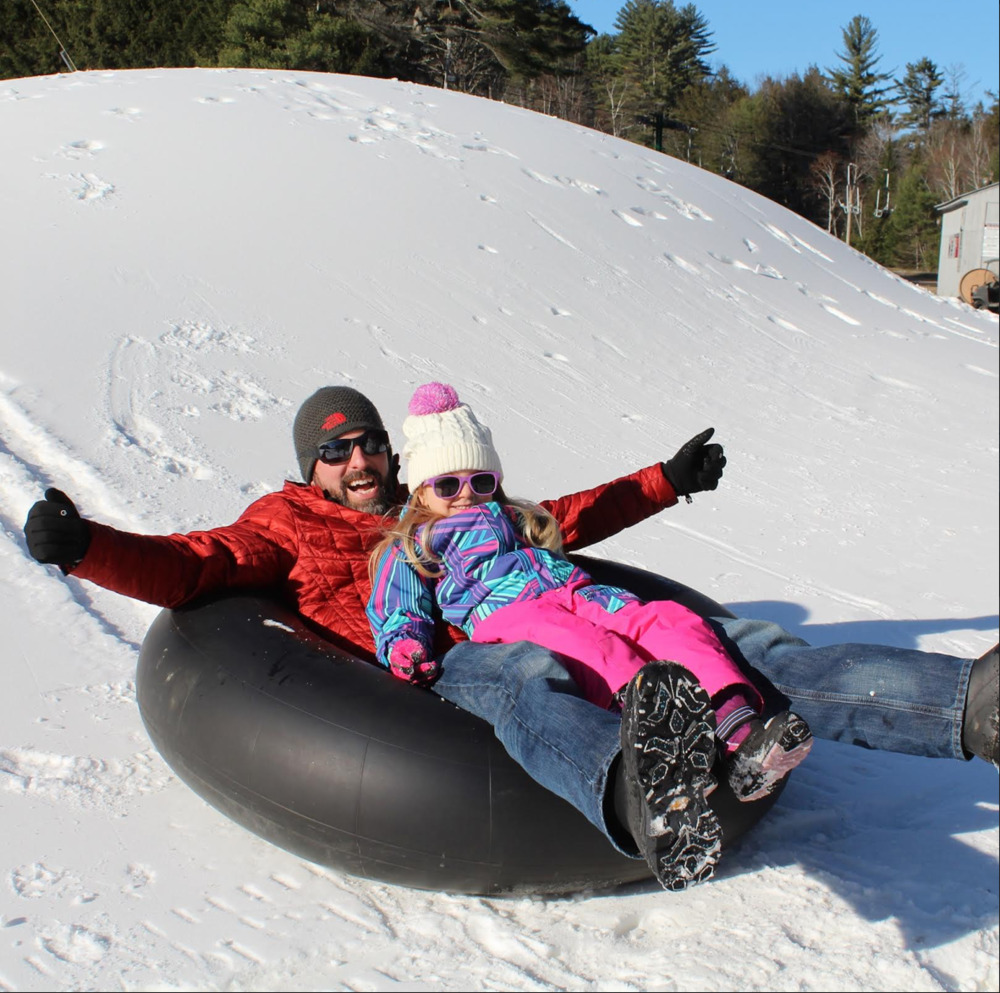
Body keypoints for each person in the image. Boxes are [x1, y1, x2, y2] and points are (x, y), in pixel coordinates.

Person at [23, 385, 999, 890]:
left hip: (542, 612)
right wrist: (85, 547)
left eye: (369, 443)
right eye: (336, 449)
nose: (359, 459)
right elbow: (185, 569)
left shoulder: (445, 502)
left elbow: (557, 519)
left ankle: (966, 706)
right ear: (308, 466)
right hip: (430, 677)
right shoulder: (280, 529)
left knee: (732, 645)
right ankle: (636, 792)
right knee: (528, 670)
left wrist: (662, 480)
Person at [365, 382, 813, 888]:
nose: (466, 494)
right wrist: (406, 647)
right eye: (447, 485)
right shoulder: (413, 543)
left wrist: (664, 481)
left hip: (581, 595)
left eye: (481, 480)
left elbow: (587, 511)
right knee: (592, 648)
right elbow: (397, 609)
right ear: (422, 489)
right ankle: (654, 731)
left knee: (671, 622)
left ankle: (739, 732)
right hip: (511, 617)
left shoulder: (518, 520)